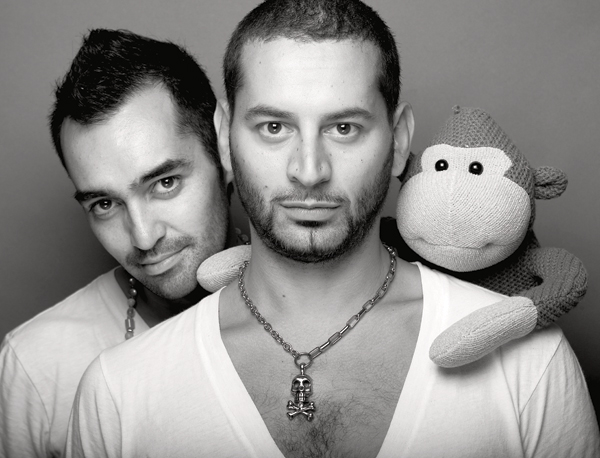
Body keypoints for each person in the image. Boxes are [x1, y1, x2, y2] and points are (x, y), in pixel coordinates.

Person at [66, 1, 600, 457]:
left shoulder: (528, 364)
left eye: (344, 127)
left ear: (398, 141)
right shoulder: (117, 393)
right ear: (225, 138)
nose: (309, 170)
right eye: (273, 127)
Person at [0, 29, 236, 457]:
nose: (144, 238)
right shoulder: (35, 364)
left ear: (224, 148)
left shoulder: (314, 322)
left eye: (165, 183)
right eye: (105, 204)